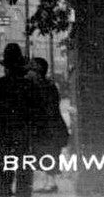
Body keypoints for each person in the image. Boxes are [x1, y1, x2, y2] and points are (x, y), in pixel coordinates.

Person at [0, 43, 43, 197]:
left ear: (6, 66)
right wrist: (34, 129)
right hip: (25, 135)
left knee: (4, 177)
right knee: (24, 176)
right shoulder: (29, 85)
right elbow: (39, 111)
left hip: (5, 134)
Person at [31, 58, 69, 194]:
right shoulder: (47, 84)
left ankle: (50, 184)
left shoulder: (43, 86)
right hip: (51, 126)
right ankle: (50, 183)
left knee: (49, 154)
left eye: (32, 69)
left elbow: (46, 108)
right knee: (48, 154)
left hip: (49, 127)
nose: (29, 72)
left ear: (38, 71)